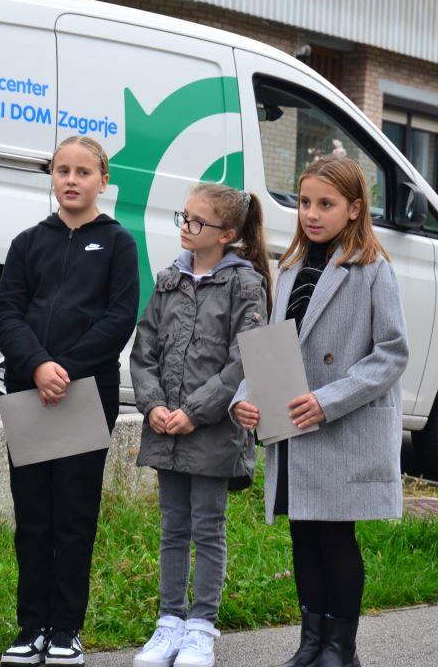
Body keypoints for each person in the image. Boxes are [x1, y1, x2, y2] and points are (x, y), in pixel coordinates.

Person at [230, 155, 409, 667]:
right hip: (292, 424)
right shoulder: (290, 267)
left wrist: (327, 402)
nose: (311, 213)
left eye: (325, 204)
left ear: (354, 208)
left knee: (334, 536)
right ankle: (311, 643)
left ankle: (340, 649)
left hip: (340, 426)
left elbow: (392, 353)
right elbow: (273, 345)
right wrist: (245, 397)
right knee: (303, 534)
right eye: (305, 202)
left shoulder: (373, 270)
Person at [0, 135, 140, 667]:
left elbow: (119, 318)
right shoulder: (28, 242)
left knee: (74, 518)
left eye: (83, 172)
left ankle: (65, 630)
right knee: (32, 516)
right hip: (29, 392)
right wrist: (37, 365)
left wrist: (68, 370)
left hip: (86, 395)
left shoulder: (118, 243)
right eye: (62, 171)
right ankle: (31, 626)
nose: (71, 180)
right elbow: (7, 312)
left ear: (103, 180)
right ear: (52, 177)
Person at [130, 184, 271, 667]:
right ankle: (169, 621)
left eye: (196, 221)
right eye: (184, 216)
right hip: (166, 429)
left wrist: (195, 411)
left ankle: (201, 628)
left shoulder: (245, 285)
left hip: (213, 432)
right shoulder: (169, 279)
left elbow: (244, 360)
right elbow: (144, 350)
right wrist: (153, 405)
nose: (185, 227)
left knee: (208, 528)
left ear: (226, 234)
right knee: (173, 527)